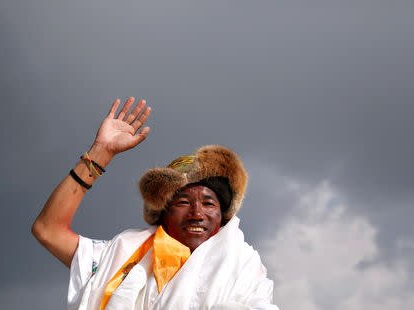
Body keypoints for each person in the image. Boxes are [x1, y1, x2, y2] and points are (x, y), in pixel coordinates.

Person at [32, 97, 279, 310]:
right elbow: (47, 230)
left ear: (223, 215)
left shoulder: (244, 267)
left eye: (208, 203)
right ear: (162, 212)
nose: (196, 213)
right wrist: (100, 153)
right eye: (182, 201)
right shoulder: (121, 258)